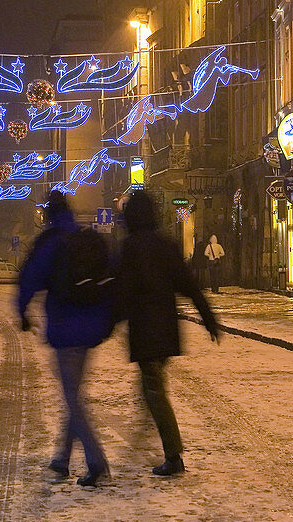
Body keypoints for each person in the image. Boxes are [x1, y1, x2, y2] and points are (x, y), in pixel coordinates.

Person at [117, 191, 220, 477]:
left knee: (154, 391)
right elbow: (189, 285)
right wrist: (208, 319)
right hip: (165, 329)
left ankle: (173, 456)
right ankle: (153, 433)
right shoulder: (166, 245)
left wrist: (103, 325)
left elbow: (120, 293)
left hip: (145, 331)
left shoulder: (131, 247)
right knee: (151, 387)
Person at [17, 191, 113, 488]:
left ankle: (96, 462)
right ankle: (61, 459)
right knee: (74, 395)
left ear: (48, 214)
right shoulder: (83, 237)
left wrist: (22, 311)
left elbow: (28, 278)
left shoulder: (51, 242)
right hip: (90, 328)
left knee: (73, 399)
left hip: (65, 328)